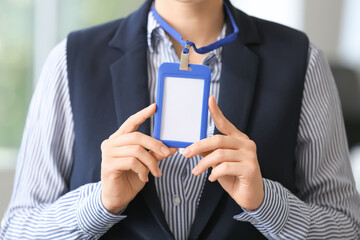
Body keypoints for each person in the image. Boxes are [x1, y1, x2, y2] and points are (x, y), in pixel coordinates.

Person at [1, 0, 360, 239]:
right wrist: (99, 204)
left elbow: (347, 227)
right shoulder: (70, 59)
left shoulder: (302, 60)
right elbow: (16, 229)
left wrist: (267, 203)